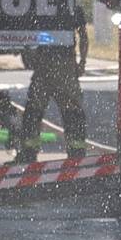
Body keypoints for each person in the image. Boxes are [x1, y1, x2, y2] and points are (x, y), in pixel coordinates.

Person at [11, 23, 89, 166]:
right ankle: (76, 156)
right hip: (64, 68)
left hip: (45, 66)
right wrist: (82, 62)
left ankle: (29, 154)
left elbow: (27, 34)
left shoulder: (40, 5)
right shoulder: (68, 6)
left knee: (34, 113)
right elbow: (83, 35)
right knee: (72, 114)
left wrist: (28, 55)